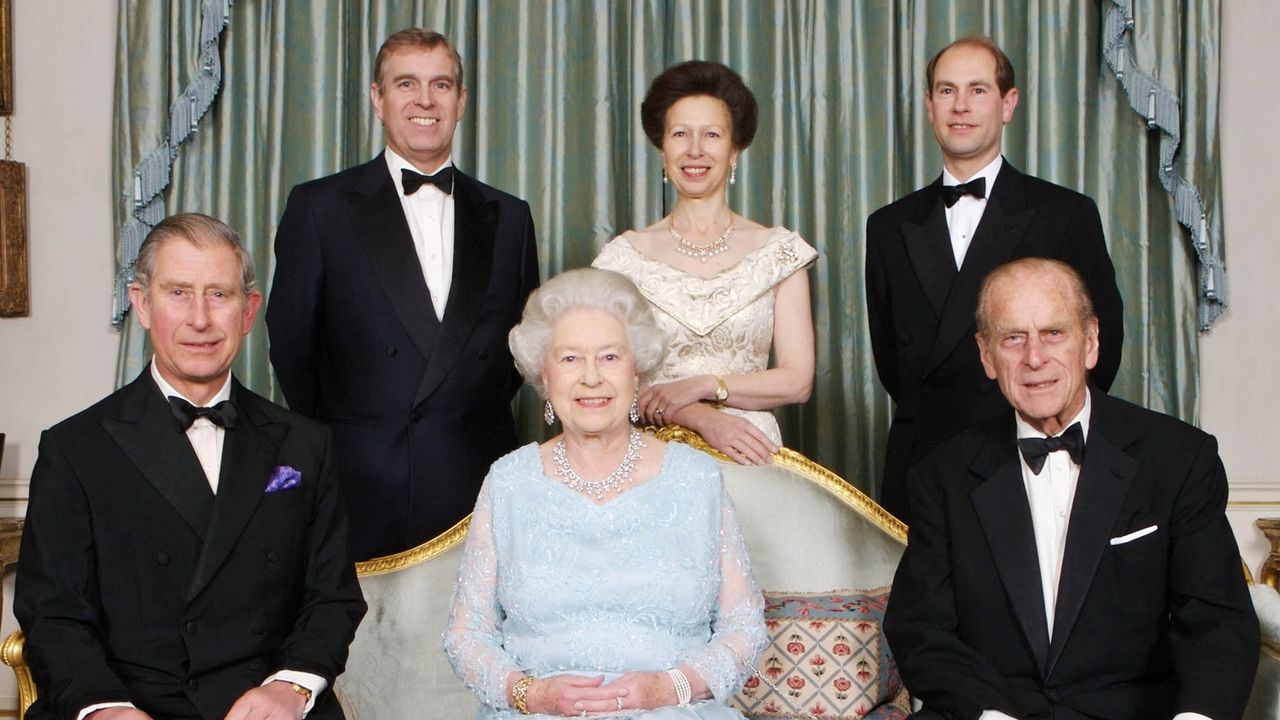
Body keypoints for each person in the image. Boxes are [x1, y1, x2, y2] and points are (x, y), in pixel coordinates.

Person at [15, 214, 367, 720]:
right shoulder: (75, 449)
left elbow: (332, 599)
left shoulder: (306, 445)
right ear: (141, 303)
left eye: (218, 295)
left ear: (248, 312)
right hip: (131, 704)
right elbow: (53, 614)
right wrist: (104, 708)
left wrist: (291, 688)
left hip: (262, 705)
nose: (199, 319)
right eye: (178, 292)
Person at [883, 258, 1258, 719]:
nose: (1034, 357)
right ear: (986, 355)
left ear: (1091, 342)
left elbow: (1216, 621)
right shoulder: (942, 475)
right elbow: (922, 629)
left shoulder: (1177, 458)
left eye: (1054, 333)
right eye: (1012, 338)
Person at [443, 268, 767, 719]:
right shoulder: (508, 482)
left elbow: (744, 627)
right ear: (544, 376)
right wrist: (529, 695)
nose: (591, 377)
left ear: (637, 372)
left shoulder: (696, 478)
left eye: (610, 357)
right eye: (570, 359)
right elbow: (466, 635)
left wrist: (668, 688)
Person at [267, 28, 540, 560]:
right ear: (378, 97)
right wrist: (362, 433)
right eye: (406, 84)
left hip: (478, 475)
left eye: (441, 85)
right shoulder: (320, 207)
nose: (425, 100)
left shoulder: (510, 216)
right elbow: (291, 347)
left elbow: (521, 352)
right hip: (363, 479)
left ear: (461, 102)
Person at [865, 36, 1124, 524]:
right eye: (946, 91)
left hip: (1029, 452)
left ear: (1008, 104)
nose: (960, 105)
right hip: (925, 464)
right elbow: (892, 363)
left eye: (978, 90)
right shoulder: (886, 226)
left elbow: (1099, 348)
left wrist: (1043, 424)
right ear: (929, 105)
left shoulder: (1065, 214)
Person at [593, 60, 815, 467]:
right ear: (663, 149)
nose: (695, 150)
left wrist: (705, 386)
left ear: (735, 150)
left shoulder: (780, 253)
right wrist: (694, 415)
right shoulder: (622, 260)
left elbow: (797, 380)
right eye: (680, 134)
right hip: (653, 460)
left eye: (711, 135)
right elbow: (605, 381)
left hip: (750, 452)